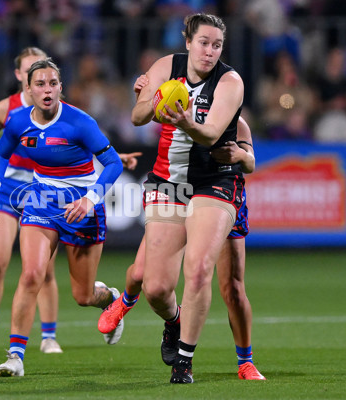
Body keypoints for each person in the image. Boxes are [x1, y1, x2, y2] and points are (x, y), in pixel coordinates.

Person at [99, 77, 263, 381]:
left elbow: (250, 161)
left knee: (232, 288)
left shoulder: (235, 123)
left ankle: (245, 361)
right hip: (178, 192)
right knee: (140, 275)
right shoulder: (176, 110)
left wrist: (241, 156)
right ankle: (129, 302)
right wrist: (144, 94)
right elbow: (144, 115)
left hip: (221, 194)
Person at [129, 13, 261, 383]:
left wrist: (186, 121)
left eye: (217, 45)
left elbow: (212, 132)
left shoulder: (230, 81)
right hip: (171, 180)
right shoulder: (166, 67)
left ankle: (184, 361)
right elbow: (137, 116)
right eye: (203, 42)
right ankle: (174, 322)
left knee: (202, 268)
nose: (209, 51)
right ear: (188, 41)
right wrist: (155, 100)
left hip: (215, 179)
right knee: (155, 288)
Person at [0, 58, 124, 377]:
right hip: (41, 201)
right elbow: (1, 153)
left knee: (83, 295)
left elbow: (113, 163)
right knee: (31, 274)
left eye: (53, 83)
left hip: (83, 207)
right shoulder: (17, 121)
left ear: (61, 87)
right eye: (40, 84)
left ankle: (109, 299)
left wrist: (90, 199)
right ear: (28, 90)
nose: (47, 90)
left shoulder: (79, 122)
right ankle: (15, 356)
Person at [0, 47, 64, 355]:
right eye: (33, 69)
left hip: (44, 193)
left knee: (44, 270)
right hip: (8, 192)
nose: (41, 77)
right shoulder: (6, 108)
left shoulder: (58, 107)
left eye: (46, 72)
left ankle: (48, 336)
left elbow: (82, 141)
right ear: (21, 76)